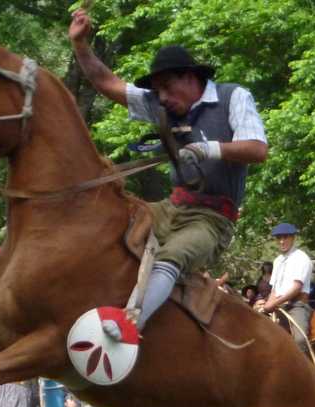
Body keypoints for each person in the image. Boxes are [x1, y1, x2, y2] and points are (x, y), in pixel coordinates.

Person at [69, 10, 268, 338]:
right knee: (112, 217)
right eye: (157, 90)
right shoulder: (164, 104)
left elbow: (258, 149)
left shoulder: (233, 96)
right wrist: (80, 44)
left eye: (166, 87)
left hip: (213, 219)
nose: (161, 97)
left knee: (173, 255)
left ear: (190, 78)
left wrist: (210, 149)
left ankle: (131, 324)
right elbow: (107, 83)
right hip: (171, 206)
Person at [258, 222, 313, 351]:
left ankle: (303, 370)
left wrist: (274, 303)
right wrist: (267, 306)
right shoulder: (277, 261)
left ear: (293, 238)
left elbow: (296, 287)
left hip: (296, 305)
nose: (281, 241)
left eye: (285, 237)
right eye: (279, 238)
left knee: (300, 339)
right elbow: (274, 289)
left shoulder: (302, 258)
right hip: (278, 305)